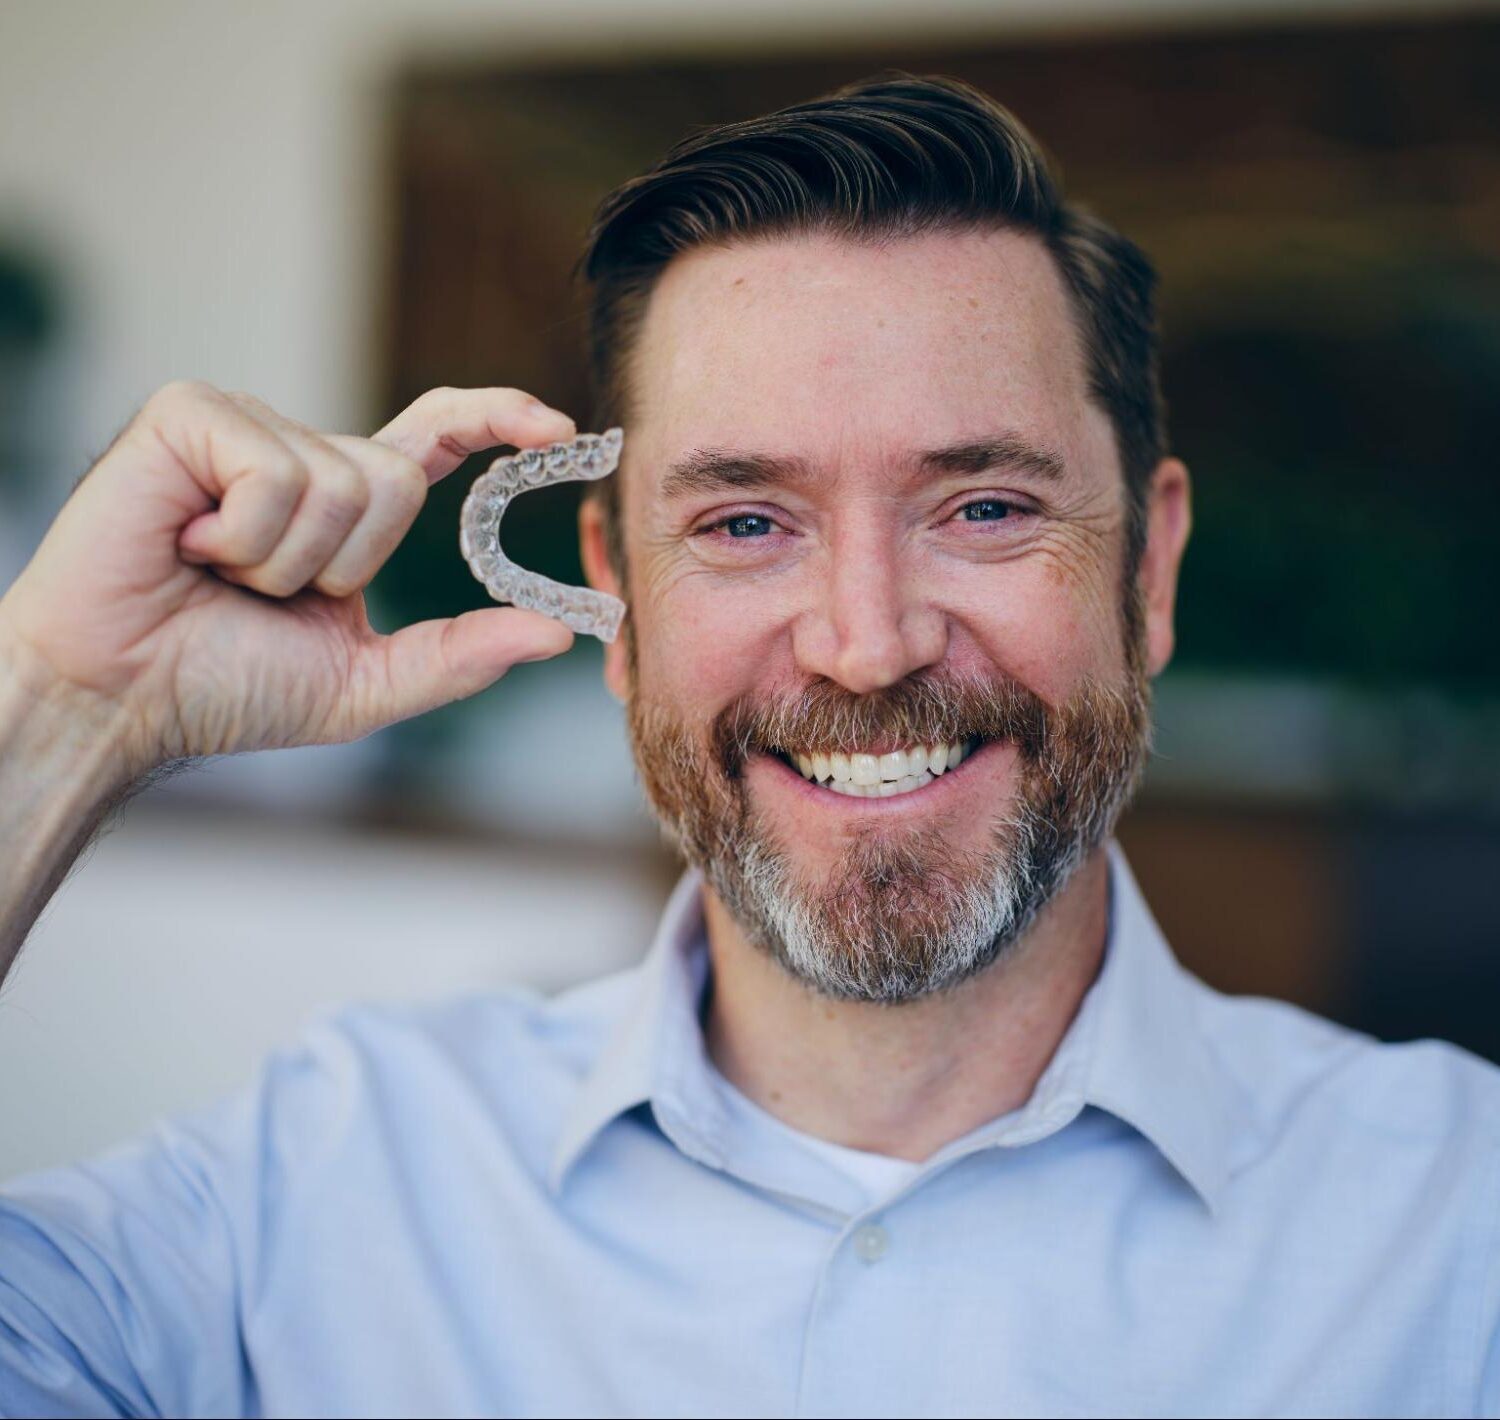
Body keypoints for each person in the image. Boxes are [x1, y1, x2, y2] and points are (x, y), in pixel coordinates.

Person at [0, 74, 1496, 1419]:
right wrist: (62, 718)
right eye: (743, 523)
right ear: (617, 586)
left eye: (983, 508)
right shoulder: (320, 1182)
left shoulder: (1455, 1224)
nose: (866, 640)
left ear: (1148, 572)